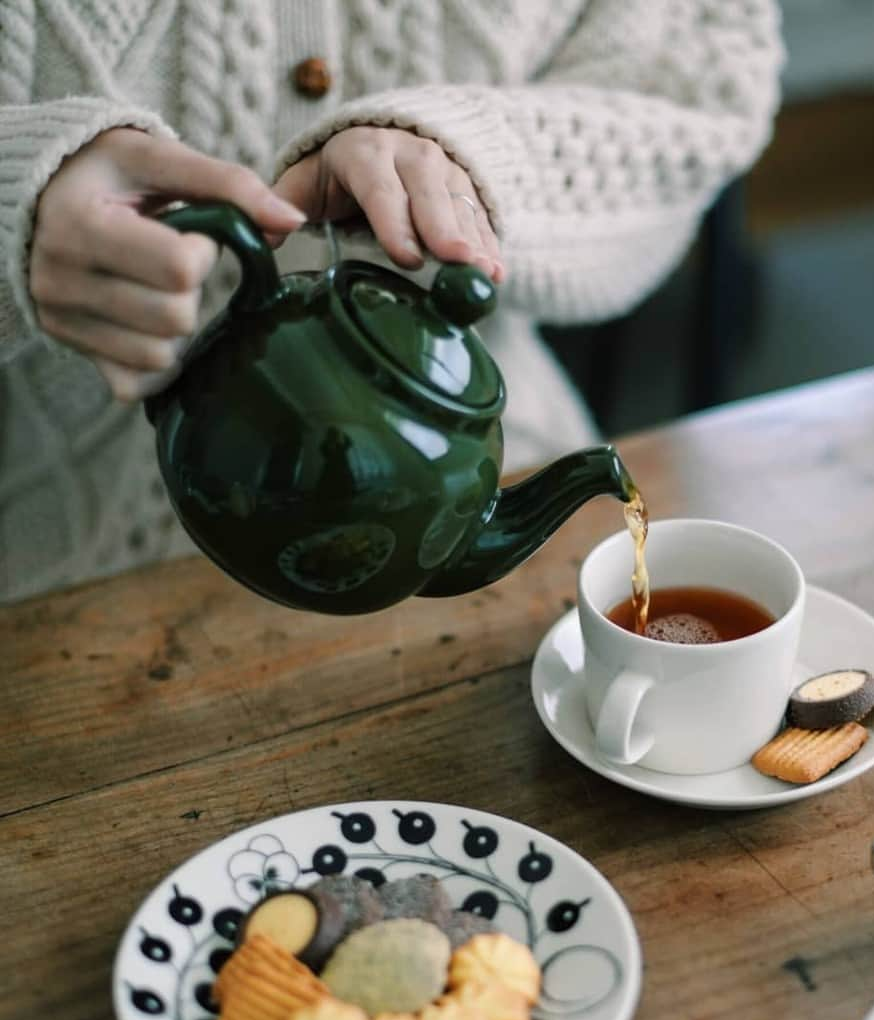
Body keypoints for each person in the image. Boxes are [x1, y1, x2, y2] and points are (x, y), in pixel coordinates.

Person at [0, 0, 783, 604]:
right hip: (49, 576)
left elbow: (693, 96)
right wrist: (18, 197)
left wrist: (477, 163)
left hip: (497, 522)